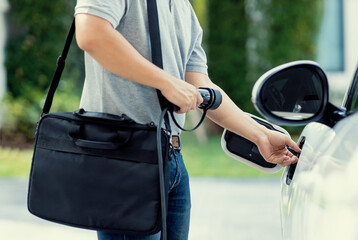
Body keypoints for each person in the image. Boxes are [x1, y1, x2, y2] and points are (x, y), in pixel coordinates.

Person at [74, 0, 301, 239]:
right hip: (124, 158)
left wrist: (261, 136)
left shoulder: (183, 7)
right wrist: (166, 82)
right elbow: (91, 33)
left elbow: (200, 86)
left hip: (171, 159)